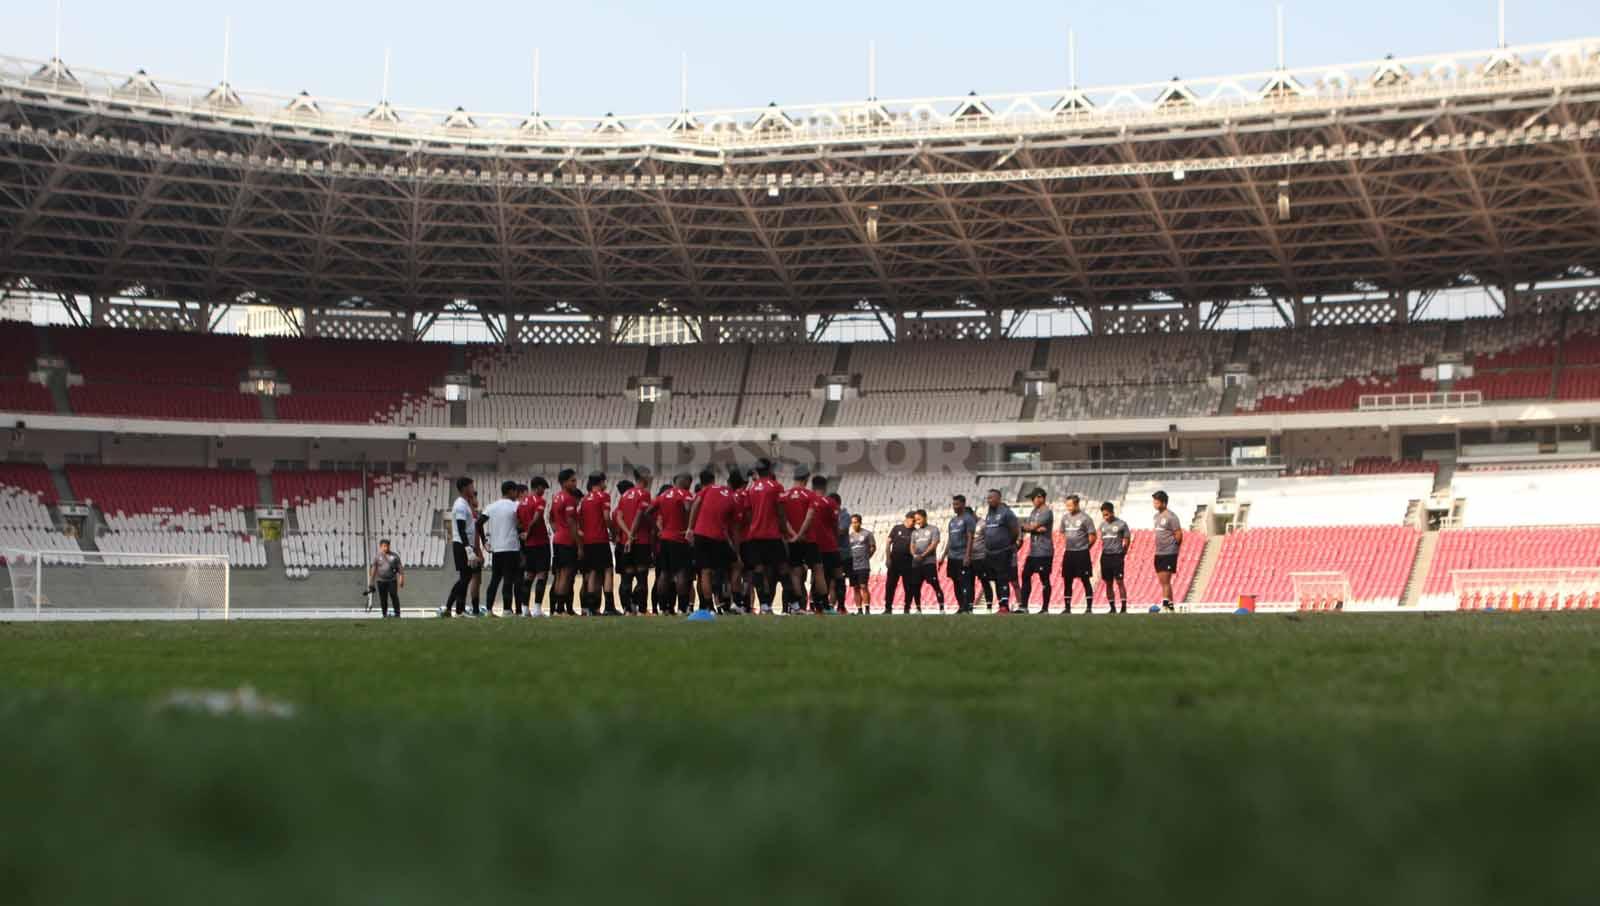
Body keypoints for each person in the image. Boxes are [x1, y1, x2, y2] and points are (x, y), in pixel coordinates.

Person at [687, 466, 740, 613]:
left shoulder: (710, 488)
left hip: (700, 534)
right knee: (733, 565)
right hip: (718, 537)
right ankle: (732, 602)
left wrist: (690, 528)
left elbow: (695, 504)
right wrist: (736, 550)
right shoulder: (734, 498)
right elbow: (735, 529)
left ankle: (709, 606)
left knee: (705, 571)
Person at [741, 459, 788, 615]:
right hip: (773, 534)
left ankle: (765, 605)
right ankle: (793, 604)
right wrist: (784, 530)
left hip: (755, 535)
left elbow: (748, 514)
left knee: (759, 569)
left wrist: (755, 523)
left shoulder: (751, 489)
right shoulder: (776, 486)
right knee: (782, 567)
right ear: (769, 470)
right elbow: (781, 512)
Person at [613, 467, 657, 615]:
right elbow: (639, 515)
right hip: (641, 541)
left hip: (626, 541)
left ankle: (627, 609)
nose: (651, 477)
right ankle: (642, 609)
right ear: (643, 477)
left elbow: (619, 517)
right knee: (642, 576)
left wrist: (627, 536)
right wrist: (632, 536)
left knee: (627, 576)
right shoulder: (644, 494)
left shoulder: (625, 495)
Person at [655, 472, 696, 615]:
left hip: (665, 539)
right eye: (689, 482)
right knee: (681, 573)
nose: (690, 485)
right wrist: (687, 526)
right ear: (684, 481)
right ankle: (682, 608)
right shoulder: (685, 494)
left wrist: (661, 528)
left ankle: (663, 608)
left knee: (664, 574)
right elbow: (688, 509)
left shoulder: (663, 495)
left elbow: (648, 511)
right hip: (679, 539)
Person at [780, 465, 818, 614]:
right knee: (817, 571)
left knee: (795, 573)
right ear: (807, 478)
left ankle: (797, 607)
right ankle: (821, 606)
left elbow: (783, 518)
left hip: (791, 541)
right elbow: (809, 517)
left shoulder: (784, 495)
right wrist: (800, 534)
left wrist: (792, 534)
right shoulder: (810, 495)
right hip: (807, 539)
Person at [482, 480, 523, 616]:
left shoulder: (492, 507)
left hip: (497, 549)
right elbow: (520, 525)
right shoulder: (516, 506)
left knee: (495, 579)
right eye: (516, 491)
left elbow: (478, 523)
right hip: (511, 548)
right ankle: (506, 609)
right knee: (508, 579)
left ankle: (488, 610)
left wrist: (484, 541)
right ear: (511, 491)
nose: (517, 494)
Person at [577, 472, 615, 616]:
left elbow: (581, 521)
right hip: (600, 539)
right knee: (607, 570)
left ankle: (592, 608)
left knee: (592, 571)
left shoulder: (585, 499)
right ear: (600, 482)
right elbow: (606, 517)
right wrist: (613, 531)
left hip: (588, 540)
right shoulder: (604, 496)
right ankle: (609, 607)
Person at [441, 476, 477, 617]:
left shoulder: (464, 503)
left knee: (465, 577)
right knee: (465, 578)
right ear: (465, 488)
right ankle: (451, 607)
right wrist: (468, 549)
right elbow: (461, 529)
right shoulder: (461, 505)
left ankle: (457, 610)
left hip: (464, 544)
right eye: (471, 486)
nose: (473, 489)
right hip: (462, 545)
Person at [549, 469, 582, 616]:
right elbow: (571, 523)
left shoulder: (556, 497)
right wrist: (580, 546)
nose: (575, 483)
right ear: (564, 482)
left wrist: (557, 530)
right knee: (566, 575)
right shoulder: (569, 499)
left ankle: (556, 608)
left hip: (557, 540)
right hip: (567, 541)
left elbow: (551, 518)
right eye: (572, 480)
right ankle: (560, 609)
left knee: (559, 574)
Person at [1059, 494, 1099, 615]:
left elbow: (1093, 536)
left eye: (1070, 505)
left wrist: (1085, 548)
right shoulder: (1065, 518)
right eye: (1067, 505)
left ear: (1077, 504)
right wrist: (1067, 542)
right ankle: (1067, 608)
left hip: (1082, 553)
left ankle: (1088, 608)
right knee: (1067, 580)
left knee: (1085, 580)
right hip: (1069, 553)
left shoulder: (1085, 518)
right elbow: (1062, 532)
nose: (1068, 508)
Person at [982, 489, 1021, 613]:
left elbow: (1015, 530)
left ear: (998, 498)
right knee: (996, 579)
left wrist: (1009, 543)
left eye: (991, 498)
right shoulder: (989, 514)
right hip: (990, 553)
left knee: (1003, 578)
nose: (989, 501)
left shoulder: (1006, 513)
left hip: (1003, 551)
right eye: (988, 498)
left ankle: (1005, 605)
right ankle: (1001, 605)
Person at [518, 476, 551, 617]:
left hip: (529, 546)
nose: (544, 491)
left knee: (529, 576)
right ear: (537, 487)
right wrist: (529, 532)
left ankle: (525, 609)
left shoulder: (522, 503)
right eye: (543, 488)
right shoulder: (540, 501)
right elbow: (537, 518)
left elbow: (518, 522)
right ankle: (537, 609)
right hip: (540, 543)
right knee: (542, 575)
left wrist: (522, 533)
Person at [1019, 488, 1054, 614]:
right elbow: (1029, 526)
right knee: (1025, 575)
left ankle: (1045, 608)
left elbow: (1030, 526)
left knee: (1044, 578)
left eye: (1033, 498)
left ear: (1040, 497)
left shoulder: (1047, 512)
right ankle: (1024, 606)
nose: (1032, 501)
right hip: (1033, 551)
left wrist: (1029, 528)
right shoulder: (1034, 512)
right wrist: (1030, 528)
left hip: (1044, 551)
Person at [810, 477, 843, 613]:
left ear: (812, 486)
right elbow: (835, 525)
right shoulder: (830, 503)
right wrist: (836, 540)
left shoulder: (808, 501)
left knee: (817, 575)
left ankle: (816, 605)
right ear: (825, 487)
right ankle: (840, 607)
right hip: (830, 545)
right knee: (837, 576)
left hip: (812, 545)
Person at [946, 494, 978, 614]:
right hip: (952, 556)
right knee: (955, 581)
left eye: (957, 504)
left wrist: (967, 555)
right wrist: (945, 554)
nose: (955, 507)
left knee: (966, 581)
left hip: (962, 555)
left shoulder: (968, 518)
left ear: (963, 504)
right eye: (953, 504)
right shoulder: (952, 521)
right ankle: (961, 606)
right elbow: (950, 539)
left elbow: (970, 538)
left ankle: (968, 606)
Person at [1152, 490, 1184, 612]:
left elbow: (1178, 534)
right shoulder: (1156, 517)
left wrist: (1174, 547)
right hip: (1159, 552)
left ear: (1164, 503)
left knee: (1166, 580)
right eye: (1154, 502)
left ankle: (1165, 605)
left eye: (1157, 502)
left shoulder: (1171, 517)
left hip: (1169, 552)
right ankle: (1170, 606)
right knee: (1163, 582)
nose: (1154, 504)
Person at [1099, 502, 1131, 615]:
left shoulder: (1122, 524)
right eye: (1104, 515)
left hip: (1117, 556)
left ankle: (1123, 607)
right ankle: (1112, 608)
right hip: (1105, 556)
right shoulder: (1102, 526)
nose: (1105, 517)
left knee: (1120, 582)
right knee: (1108, 583)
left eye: (1107, 514)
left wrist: (1123, 552)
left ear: (1112, 512)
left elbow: (1127, 539)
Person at [910, 510, 943, 613]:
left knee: (935, 584)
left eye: (919, 519)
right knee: (915, 586)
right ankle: (918, 609)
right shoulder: (915, 532)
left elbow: (934, 544)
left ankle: (941, 608)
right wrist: (915, 555)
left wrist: (923, 555)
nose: (917, 522)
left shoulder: (933, 529)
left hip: (929, 562)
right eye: (916, 520)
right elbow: (912, 546)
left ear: (925, 517)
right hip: (916, 563)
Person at [884, 512, 917, 614]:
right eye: (913, 520)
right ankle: (888, 608)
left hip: (908, 562)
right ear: (907, 518)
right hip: (894, 562)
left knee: (908, 586)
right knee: (890, 585)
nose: (914, 522)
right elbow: (888, 543)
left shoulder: (915, 531)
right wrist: (888, 558)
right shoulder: (897, 528)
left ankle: (907, 608)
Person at [846, 514, 876, 615]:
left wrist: (867, 557)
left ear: (860, 522)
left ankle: (867, 609)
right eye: (852, 523)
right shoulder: (849, 536)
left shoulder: (867, 534)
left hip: (863, 565)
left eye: (856, 522)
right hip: (853, 566)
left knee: (863, 586)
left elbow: (873, 547)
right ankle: (859, 610)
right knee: (855, 588)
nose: (854, 524)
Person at [368, 538, 404, 619]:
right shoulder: (377, 557)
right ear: (380, 547)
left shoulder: (394, 556)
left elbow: (400, 568)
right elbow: (373, 569)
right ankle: (384, 615)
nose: (386, 548)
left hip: (392, 580)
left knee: (394, 595)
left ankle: (397, 614)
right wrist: (371, 582)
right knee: (383, 598)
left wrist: (402, 578)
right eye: (384, 546)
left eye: (387, 546)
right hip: (381, 581)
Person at [969, 513, 995, 611]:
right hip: (970, 558)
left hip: (981, 558)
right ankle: (969, 606)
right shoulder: (968, 524)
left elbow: (989, 539)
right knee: (970, 583)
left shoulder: (983, 524)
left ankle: (989, 606)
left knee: (985, 581)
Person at [831, 493, 851, 607]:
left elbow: (841, 531)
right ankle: (830, 605)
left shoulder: (844, 515)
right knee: (831, 581)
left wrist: (827, 531)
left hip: (842, 553)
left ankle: (841, 606)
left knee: (839, 579)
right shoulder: (829, 514)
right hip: (831, 551)